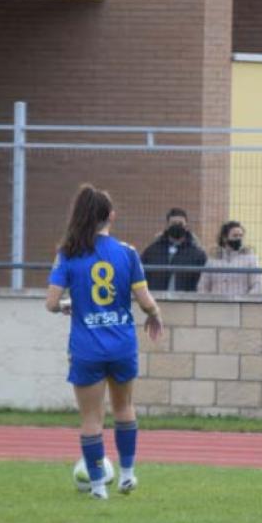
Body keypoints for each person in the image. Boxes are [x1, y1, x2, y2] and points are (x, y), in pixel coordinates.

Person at [46, 184, 162, 499]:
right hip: (122, 344)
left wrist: (70, 305)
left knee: (91, 418)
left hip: (87, 347)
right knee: (124, 408)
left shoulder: (68, 253)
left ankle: (98, 486)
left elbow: (52, 302)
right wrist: (154, 314)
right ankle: (126, 475)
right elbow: (144, 298)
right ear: (111, 215)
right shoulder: (127, 253)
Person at [140, 207, 207, 292]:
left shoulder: (197, 254)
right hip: (156, 297)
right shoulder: (152, 251)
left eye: (180, 223)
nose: (177, 226)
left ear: (186, 226)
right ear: (167, 226)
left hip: (185, 300)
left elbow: (201, 279)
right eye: (173, 223)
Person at [197, 221, 262, 296]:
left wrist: (245, 302)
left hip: (240, 305)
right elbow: (203, 286)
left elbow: (257, 285)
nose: (239, 238)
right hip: (217, 304)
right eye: (235, 236)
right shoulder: (212, 260)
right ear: (225, 238)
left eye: (241, 236)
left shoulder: (250, 259)